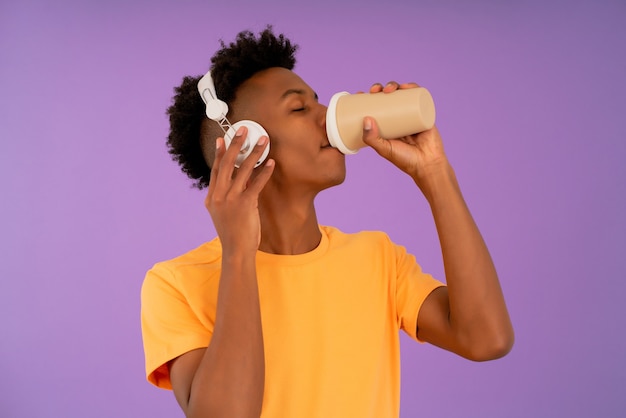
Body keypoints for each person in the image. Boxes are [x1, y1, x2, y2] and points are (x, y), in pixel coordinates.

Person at [141, 26, 514, 418]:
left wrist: (435, 173)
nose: (329, 114)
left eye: (319, 101)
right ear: (244, 146)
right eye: (300, 109)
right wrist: (237, 253)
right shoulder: (175, 283)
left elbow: (487, 339)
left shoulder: (378, 258)